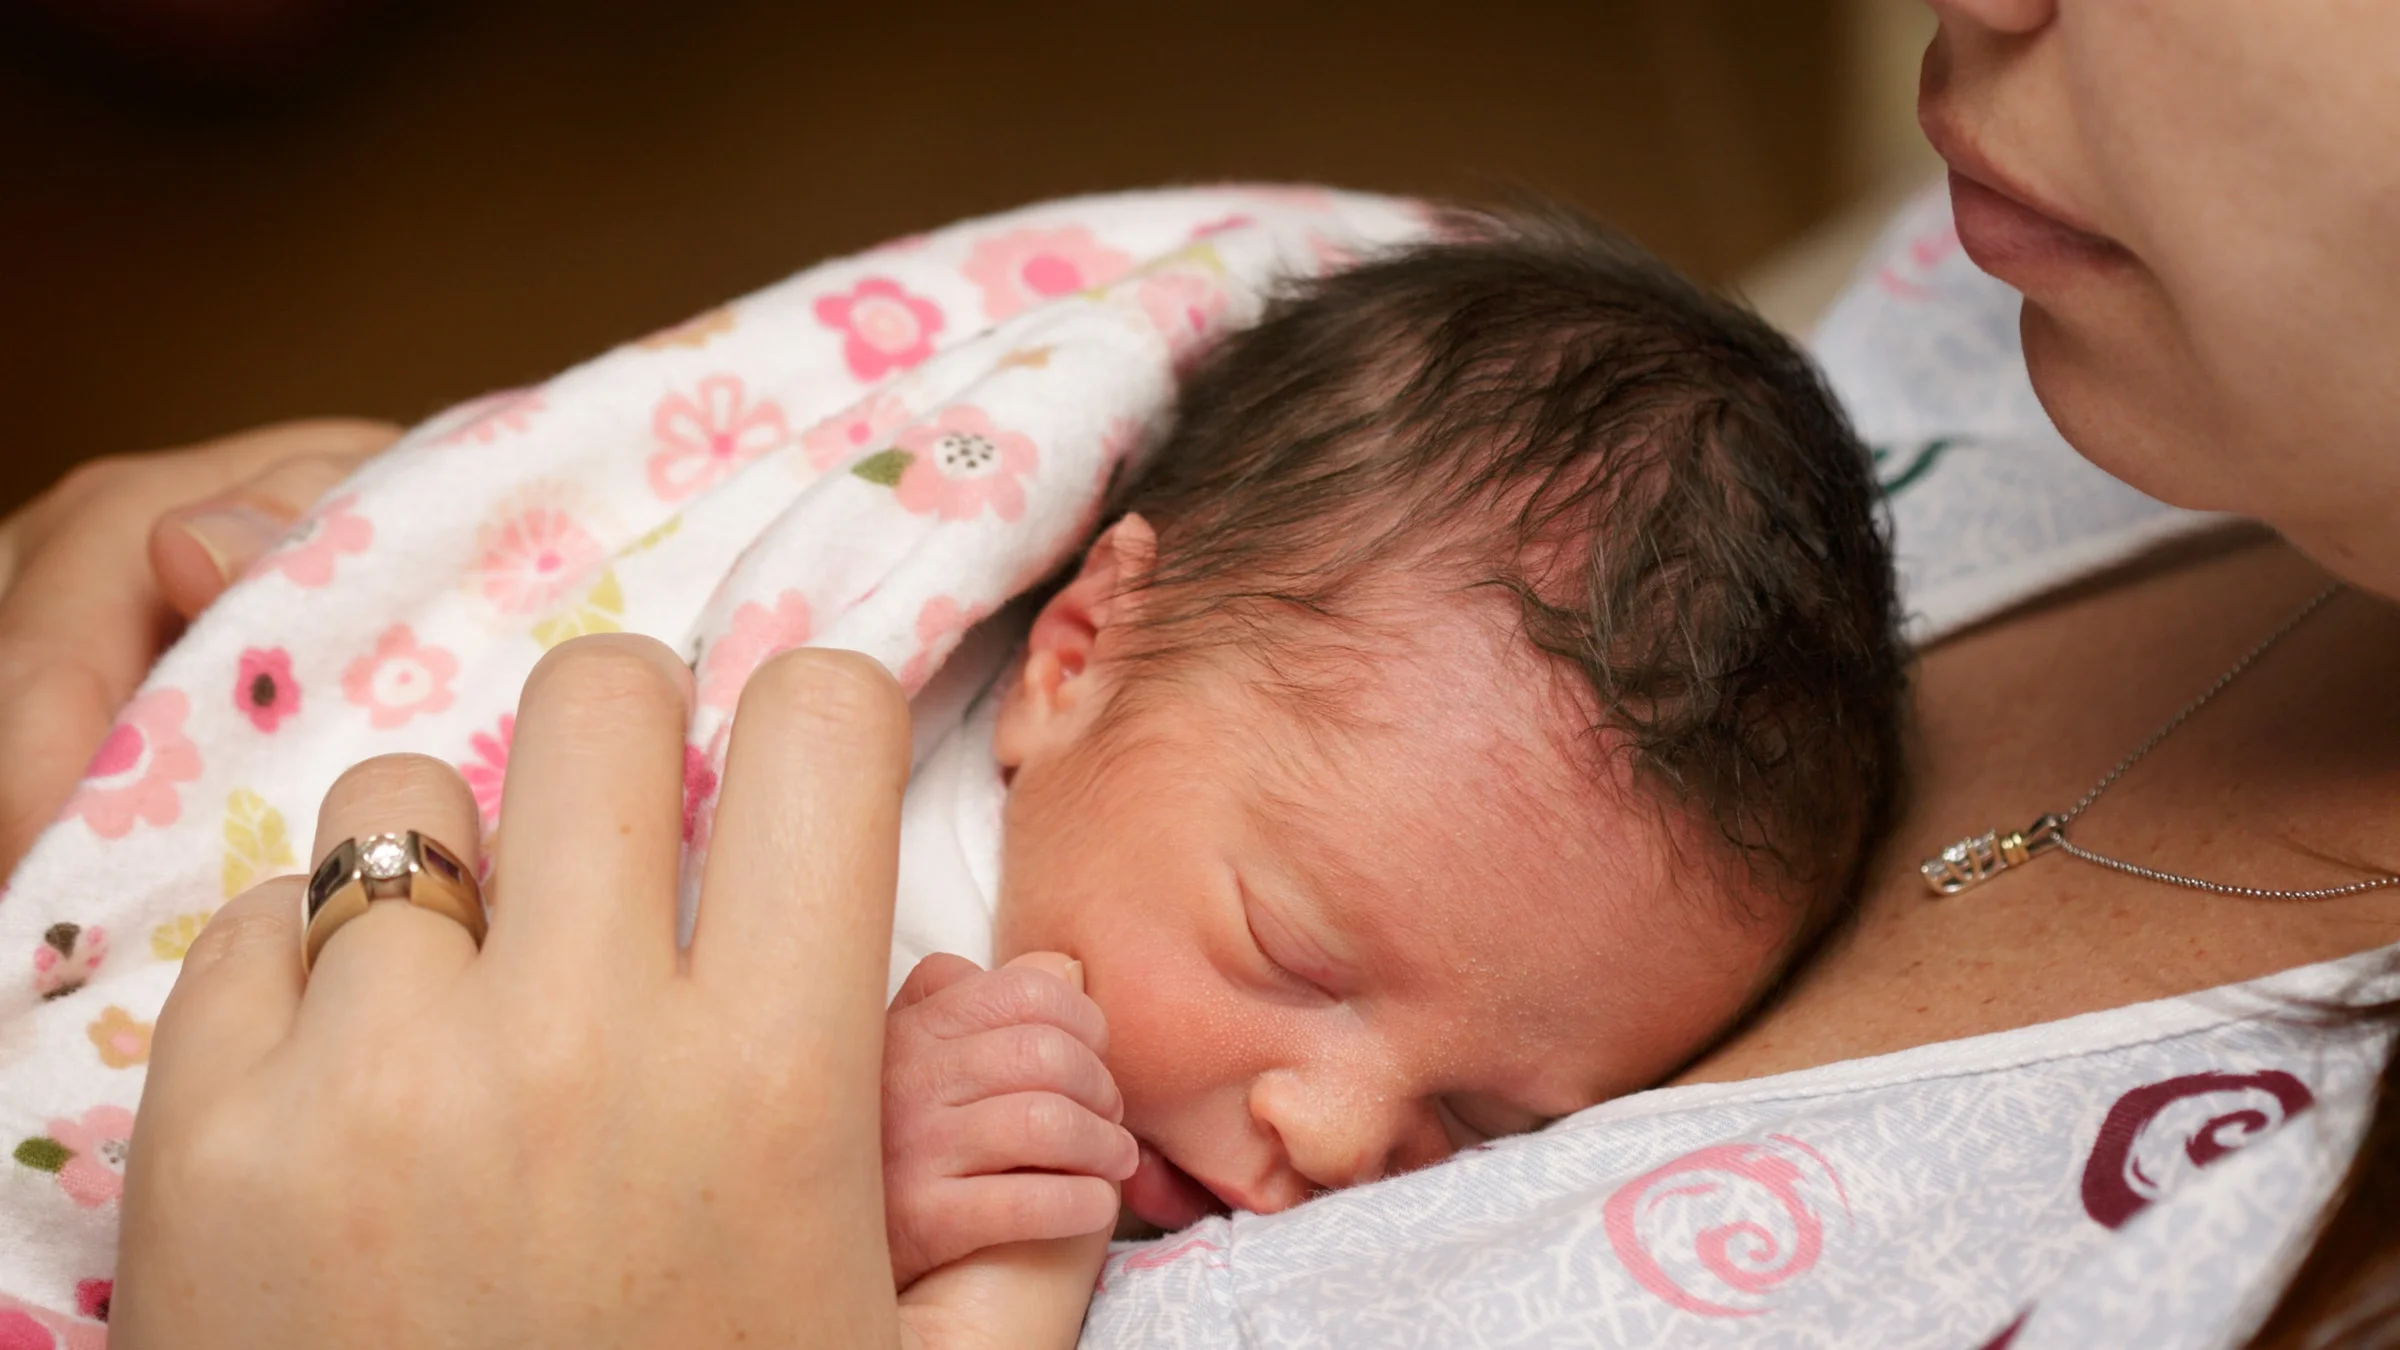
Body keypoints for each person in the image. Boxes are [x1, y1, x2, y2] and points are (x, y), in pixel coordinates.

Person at [0, 0, 2386, 1344]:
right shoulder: (2085, 318)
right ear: (1076, 636)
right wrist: (404, 570)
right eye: (1296, 954)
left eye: (1484, 1134)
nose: (1337, 1147)